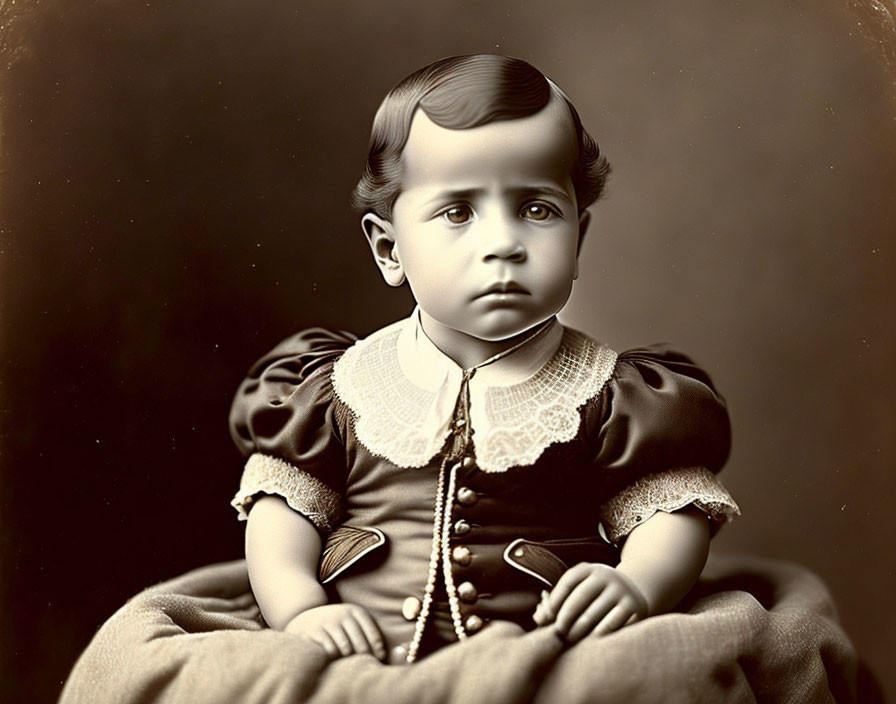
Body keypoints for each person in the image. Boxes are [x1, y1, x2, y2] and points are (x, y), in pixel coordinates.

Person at [229, 54, 740, 666]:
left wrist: (637, 583)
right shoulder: (341, 387)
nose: (503, 244)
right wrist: (302, 607)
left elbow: (669, 512)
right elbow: (282, 513)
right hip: (367, 665)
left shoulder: (614, 394)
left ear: (580, 238)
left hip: (548, 662)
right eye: (457, 212)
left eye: (537, 209)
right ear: (389, 248)